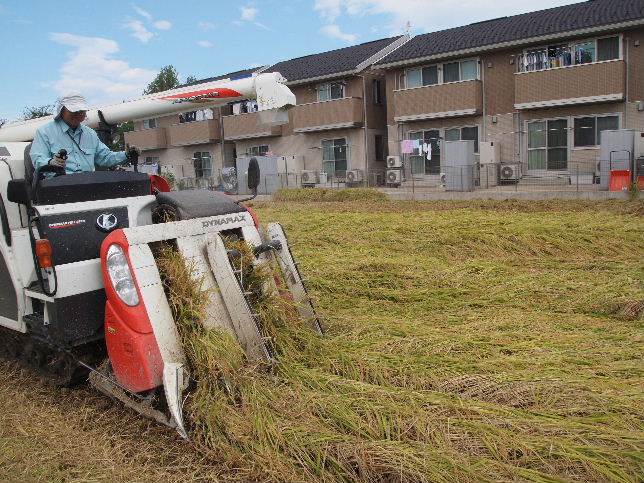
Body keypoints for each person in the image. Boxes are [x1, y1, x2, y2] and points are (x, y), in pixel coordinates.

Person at [29, 92, 138, 173]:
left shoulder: (90, 134)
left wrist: (126, 155)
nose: (79, 114)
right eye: (74, 111)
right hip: (56, 188)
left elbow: (105, 157)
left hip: (88, 185)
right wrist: (50, 163)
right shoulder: (44, 132)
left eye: (82, 111)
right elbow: (37, 159)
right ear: (61, 110)